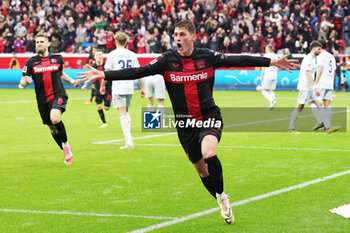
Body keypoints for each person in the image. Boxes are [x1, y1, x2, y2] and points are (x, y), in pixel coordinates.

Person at [78, 20, 298, 224]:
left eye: (182, 34)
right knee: (202, 171)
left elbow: (237, 59)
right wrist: (104, 74)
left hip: (209, 115)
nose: (178, 38)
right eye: (175, 35)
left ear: (193, 36)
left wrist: (272, 61)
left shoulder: (207, 57)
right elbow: (138, 71)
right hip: (184, 123)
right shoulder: (166, 60)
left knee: (209, 153)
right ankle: (220, 197)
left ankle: (221, 196)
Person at [18, 33, 80, 165]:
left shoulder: (57, 58)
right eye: (37, 42)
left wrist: (72, 81)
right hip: (42, 100)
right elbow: (21, 82)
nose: (39, 44)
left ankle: (66, 145)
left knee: (55, 118)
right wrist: (26, 82)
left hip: (58, 94)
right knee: (52, 128)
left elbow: (61, 74)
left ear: (47, 44)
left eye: (41, 41)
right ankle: (65, 150)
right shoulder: (30, 62)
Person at [104, 31, 145, 149]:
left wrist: (102, 85)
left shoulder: (112, 54)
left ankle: (129, 142)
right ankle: (129, 140)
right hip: (129, 86)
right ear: (126, 42)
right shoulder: (131, 54)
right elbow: (138, 72)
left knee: (121, 113)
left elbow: (106, 72)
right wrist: (142, 87)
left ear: (115, 41)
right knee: (126, 112)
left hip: (118, 86)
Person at [288, 41, 324, 133]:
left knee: (319, 103)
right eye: (319, 49)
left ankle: (322, 122)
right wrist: (315, 86)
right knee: (300, 106)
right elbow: (308, 73)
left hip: (310, 87)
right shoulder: (308, 59)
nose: (320, 51)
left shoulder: (313, 58)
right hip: (305, 87)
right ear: (314, 48)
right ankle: (290, 128)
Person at [314, 40, 341, 133]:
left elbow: (320, 69)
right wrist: (332, 83)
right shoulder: (331, 56)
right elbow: (333, 71)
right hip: (329, 82)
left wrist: (315, 83)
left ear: (319, 47)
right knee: (327, 104)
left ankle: (323, 123)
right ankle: (327, 125)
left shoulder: (321, 56)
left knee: (317, 103)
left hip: (322, 82)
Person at [82, 49, 112, 128]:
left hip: (108, 89)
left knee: (107, 108)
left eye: (100, 55)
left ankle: (108, 105)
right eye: (97, 55)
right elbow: (89, 77)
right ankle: (104, 123)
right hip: (97, 89)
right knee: (99, 106)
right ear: (94, 57)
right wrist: (85, 85)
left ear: (102, 56)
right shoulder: (93, 67)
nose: (98, 56)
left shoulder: (107, 66)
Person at [256, 45, 279, 110]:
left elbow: (264, 66)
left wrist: (261, 75)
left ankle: (272, 100)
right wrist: (276, 72)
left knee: (263, 89)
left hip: (268, 75)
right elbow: (279, 65)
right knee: (271, 90)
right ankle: (271, 105)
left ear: (267, 49)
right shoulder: (275, 56)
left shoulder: (266, 56)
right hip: (274, 75)